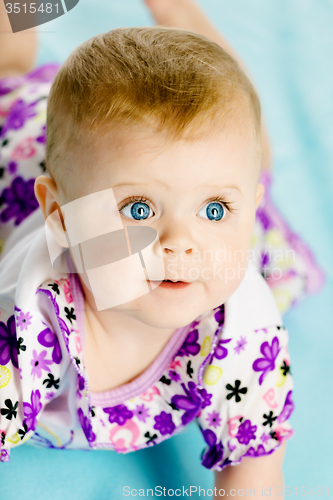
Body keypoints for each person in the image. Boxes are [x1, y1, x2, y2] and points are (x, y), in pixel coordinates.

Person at [0, 0, 323, 496]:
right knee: (8, 73)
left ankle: (175, 7)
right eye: (137, 209)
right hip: (20, 157)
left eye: (215, 210)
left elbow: (253, 469)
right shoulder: (27, 325)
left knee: (248, 144)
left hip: (215, 200)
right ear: (60, 217)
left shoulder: (243, 330)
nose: (180, 245)